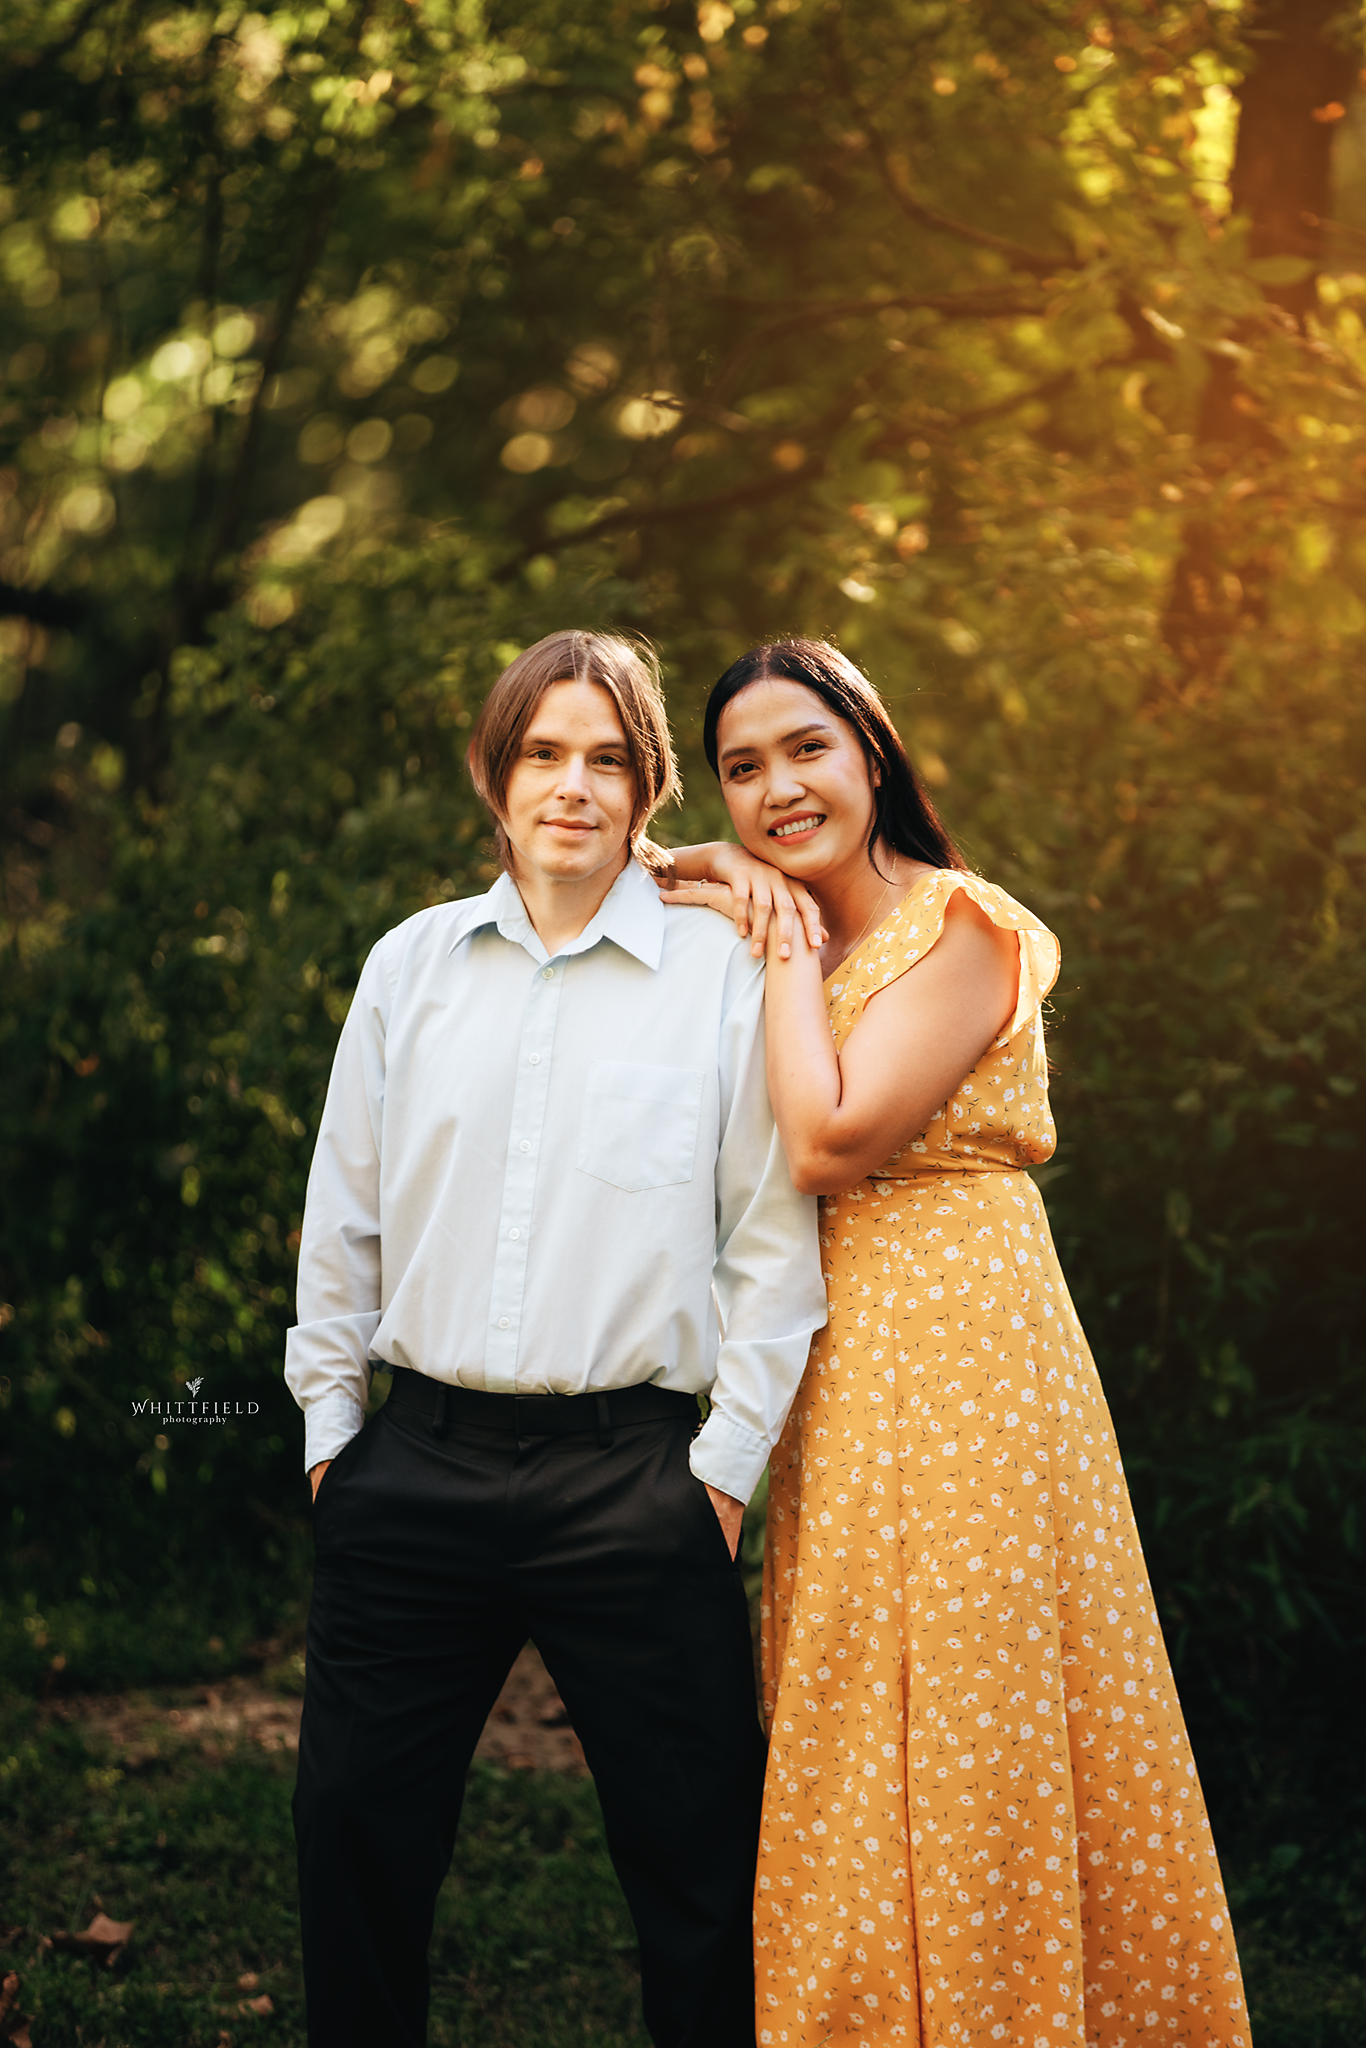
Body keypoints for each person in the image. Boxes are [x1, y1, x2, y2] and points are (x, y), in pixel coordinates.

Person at [661, 638, 1249, 2048]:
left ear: (870, 750)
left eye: (805, 748)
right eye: (740, 770)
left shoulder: (961, 925)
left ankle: (1022, 2013)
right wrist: (715, 866)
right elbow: (593, 859)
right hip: (833, 1346)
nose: (777, 789)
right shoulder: (777, 915)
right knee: (852, 1681)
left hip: (968, 1333)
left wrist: (785, 940)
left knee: (984, 1685)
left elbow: (828, 1138)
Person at [285, 629, 826, 2048]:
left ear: (649, 788)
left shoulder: (724, 969)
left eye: (605, 759)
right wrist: (334, 1441)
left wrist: (719, 1480)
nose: (569, 787)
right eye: (542, 753)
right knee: (352, 1837)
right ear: (495, 773)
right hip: (416, 1467)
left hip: (633, 1481)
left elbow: (773, 1244)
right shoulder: (411, 968)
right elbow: (340, 1216)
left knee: (698, 1867)